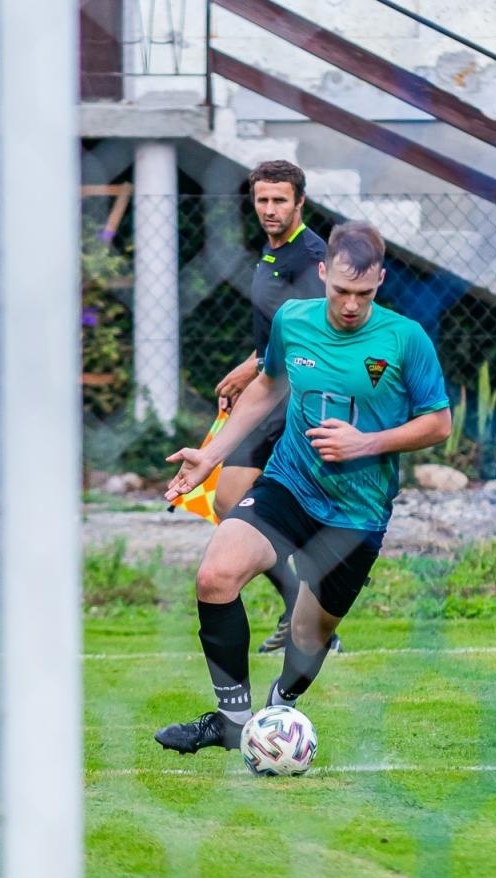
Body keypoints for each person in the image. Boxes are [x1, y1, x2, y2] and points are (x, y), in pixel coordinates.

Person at [155, 220, 452, 754]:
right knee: (216, 576)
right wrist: (212, 455)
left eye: (363, 293)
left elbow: (438, 423)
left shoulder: (405, 338)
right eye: (341, 291)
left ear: (381, 280)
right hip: (288, 485)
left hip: (355, 514)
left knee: (309, 635)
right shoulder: (293, 320)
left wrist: (366, 443)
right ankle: (232, 719)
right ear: (322, 273)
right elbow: (267, 386)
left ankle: (280, 710)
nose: (350, 305)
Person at [214, 159, 336, 654]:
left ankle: (315, 604)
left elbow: (309, 341)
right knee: (228, 504)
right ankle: (301, 603)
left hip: (294, 403)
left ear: (299, 202)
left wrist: (260, 373)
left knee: (252, 508)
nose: (269, 209)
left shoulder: (310, 258)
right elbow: (275, 338)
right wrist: (252, 366)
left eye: (279, 200)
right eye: (262, 200)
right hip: (267, 395)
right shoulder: (271, 253)